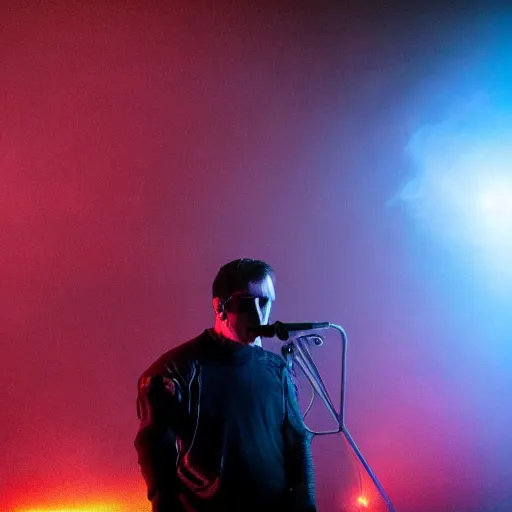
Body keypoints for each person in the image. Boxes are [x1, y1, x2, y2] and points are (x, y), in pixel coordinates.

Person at [134, 258, 316, 512]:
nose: (259, 314)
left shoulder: (277, 369)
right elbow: (154, 448)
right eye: (246, 304)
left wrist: (305, 504)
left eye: (265, 301)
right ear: (220, 307)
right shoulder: (177, 370)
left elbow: (297, 439)